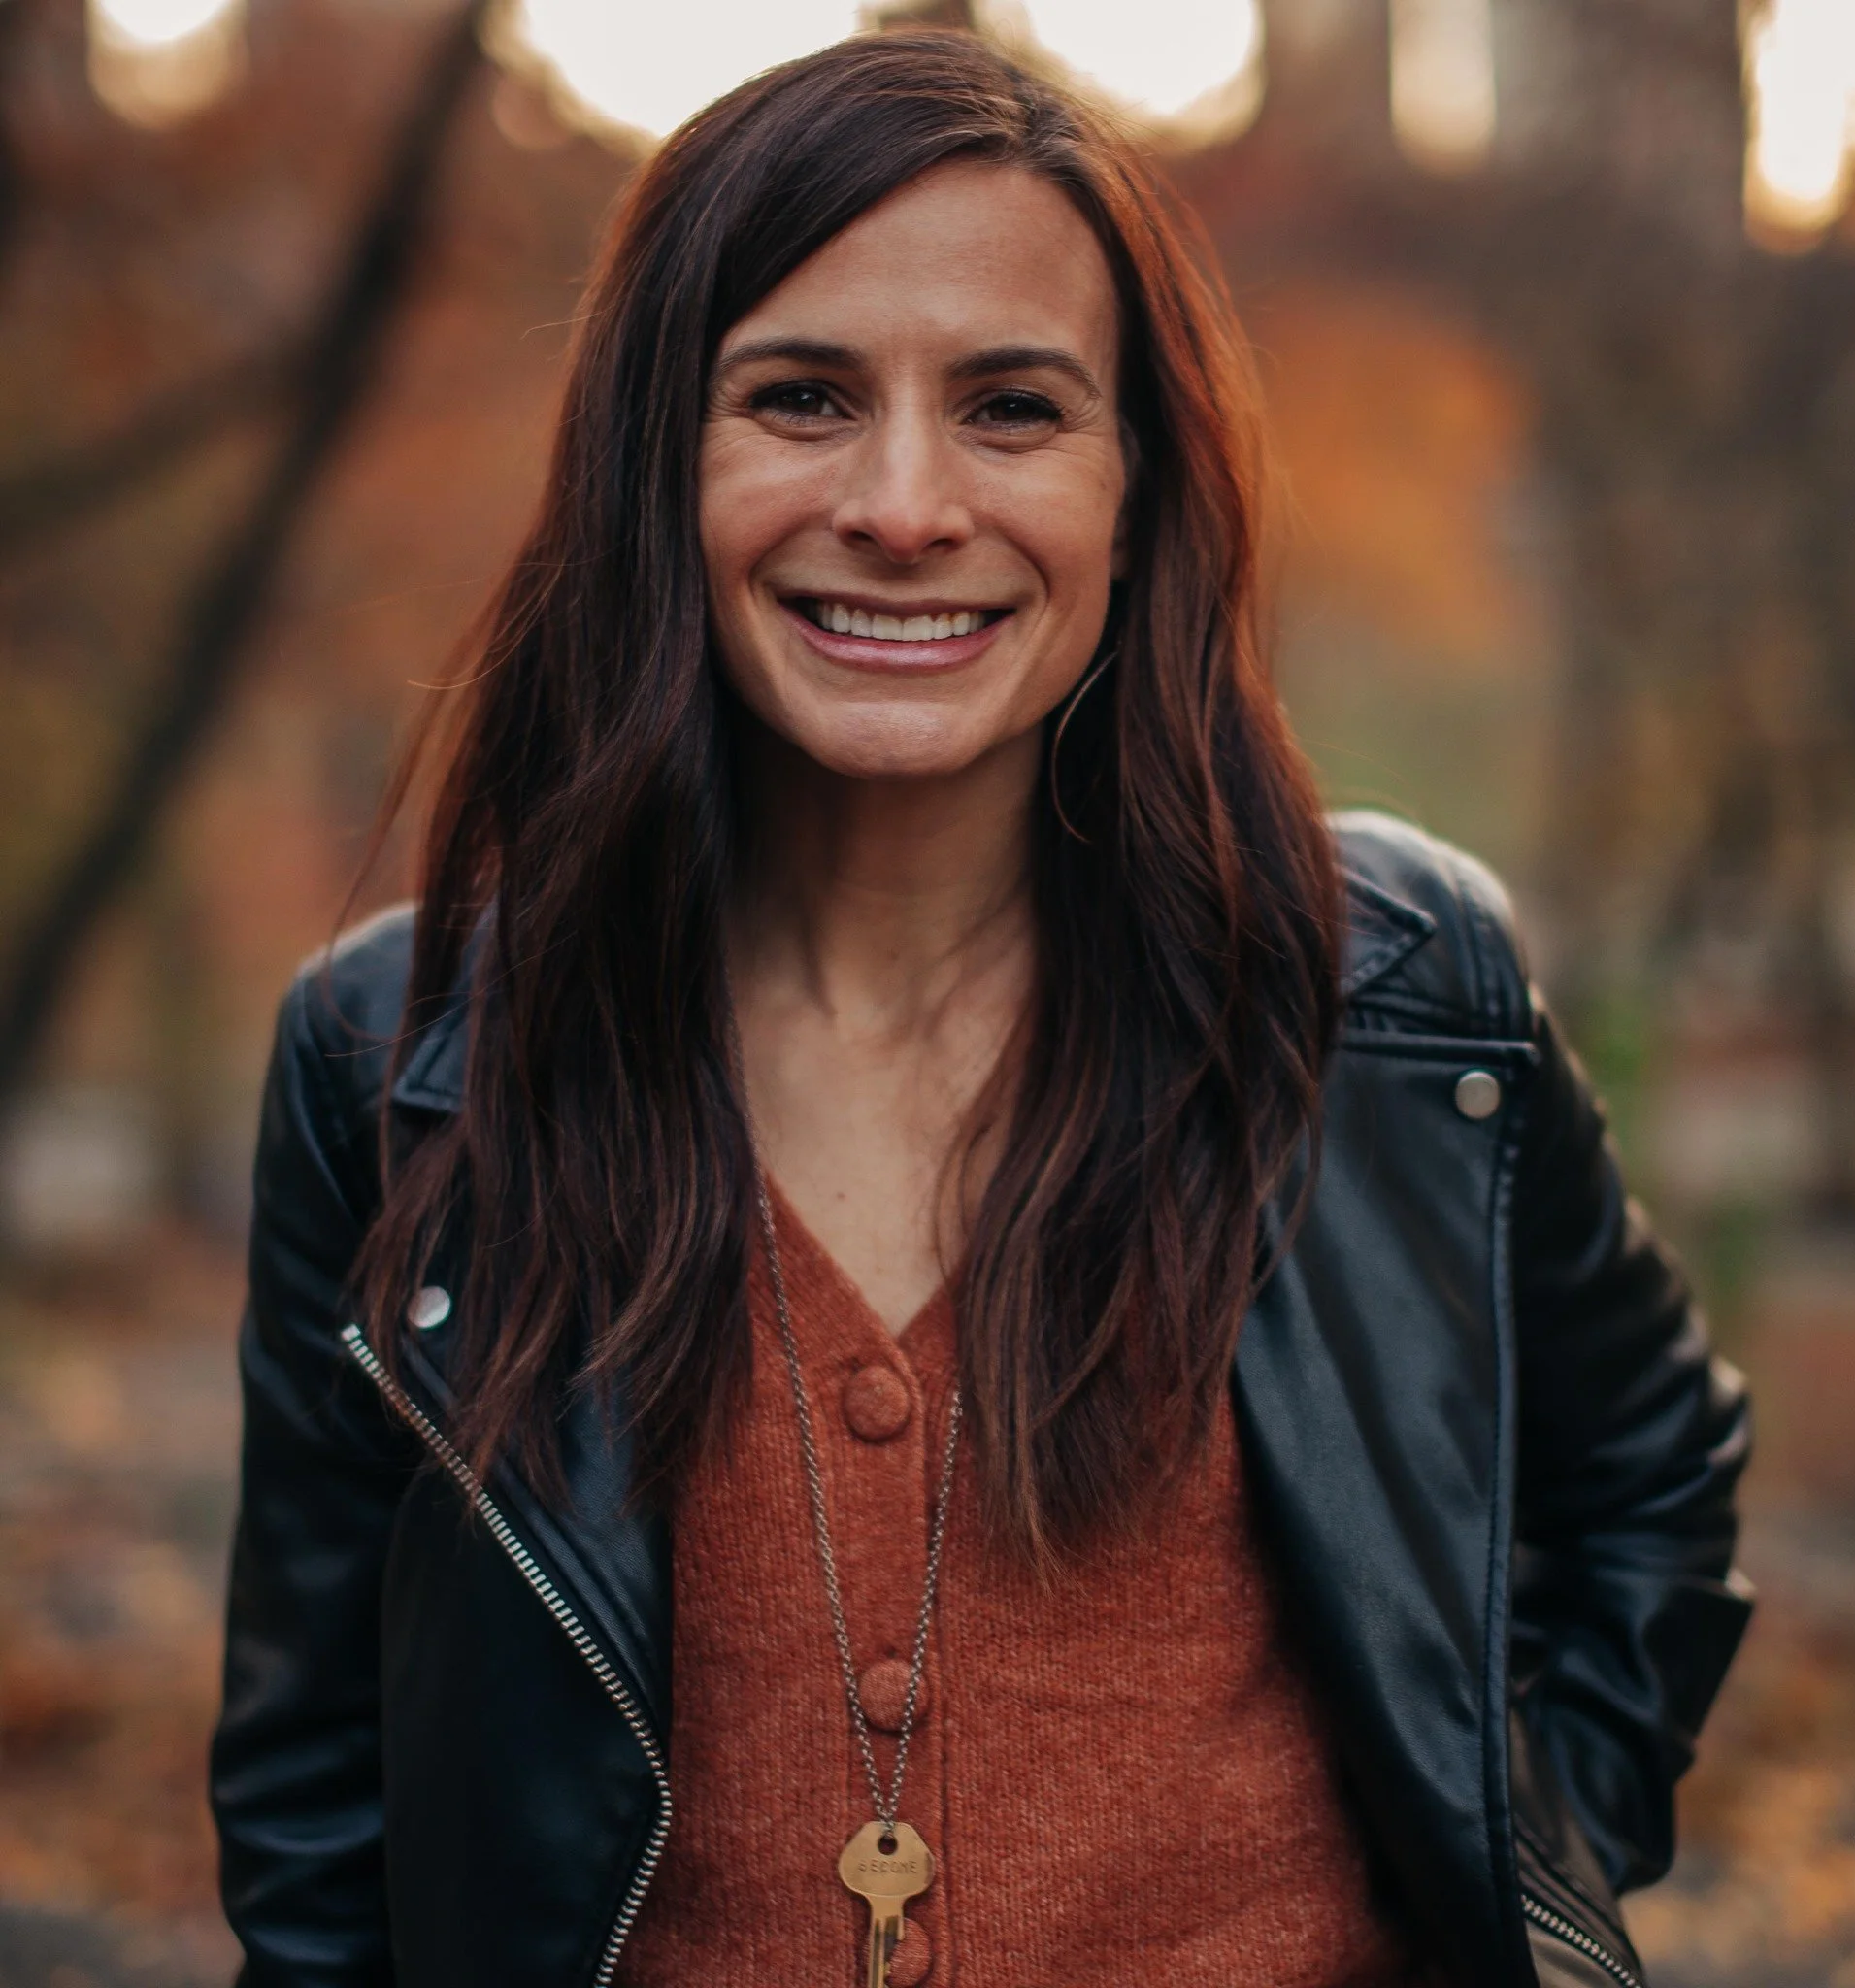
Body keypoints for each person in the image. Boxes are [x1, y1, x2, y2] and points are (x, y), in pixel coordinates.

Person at [210, 29, 1751, 1988]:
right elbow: (317, 1816)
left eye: (1014, 407)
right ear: (651, 465)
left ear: (1137, 485)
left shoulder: (1385, 1002)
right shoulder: (398, 1065)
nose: (906, 503)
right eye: (800, 398)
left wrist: (1506, 1854)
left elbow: (1651, 1489)